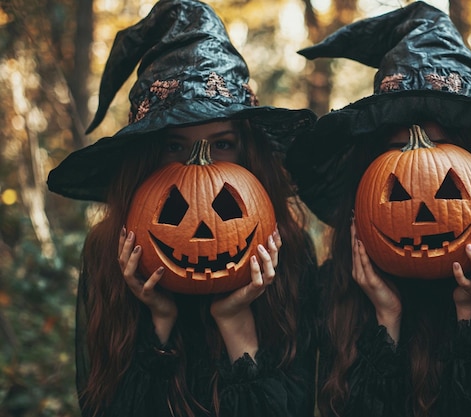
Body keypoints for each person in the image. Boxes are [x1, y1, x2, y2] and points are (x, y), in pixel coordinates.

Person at [285, 2, 471, 417]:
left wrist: (470, 312)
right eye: (395, 153)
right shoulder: (337, 284)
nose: (423, 208)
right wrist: (385, 318)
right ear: (367, 173)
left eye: (444, 151)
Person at [46, 1, 318, 416]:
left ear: (248, 151)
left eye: (221, 144)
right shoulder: (106, 252)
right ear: (147, 155)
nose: (198, 171)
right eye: (176, 146)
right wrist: (158, 323)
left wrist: (235, 323)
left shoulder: (292, 251)